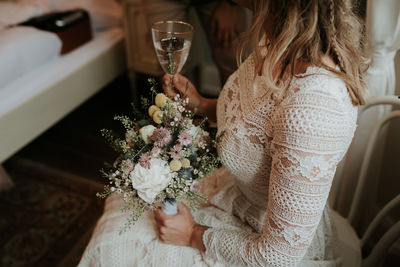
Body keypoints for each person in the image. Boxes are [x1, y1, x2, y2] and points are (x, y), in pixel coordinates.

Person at [79, 0, 368, 266]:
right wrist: (202, 105)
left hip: (264, 244)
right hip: (235, 198)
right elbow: (262, 121)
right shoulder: (279, 41)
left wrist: (192, 233)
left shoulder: (314, 109)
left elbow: (278, 255)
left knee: (115, 252)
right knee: (124, 212)